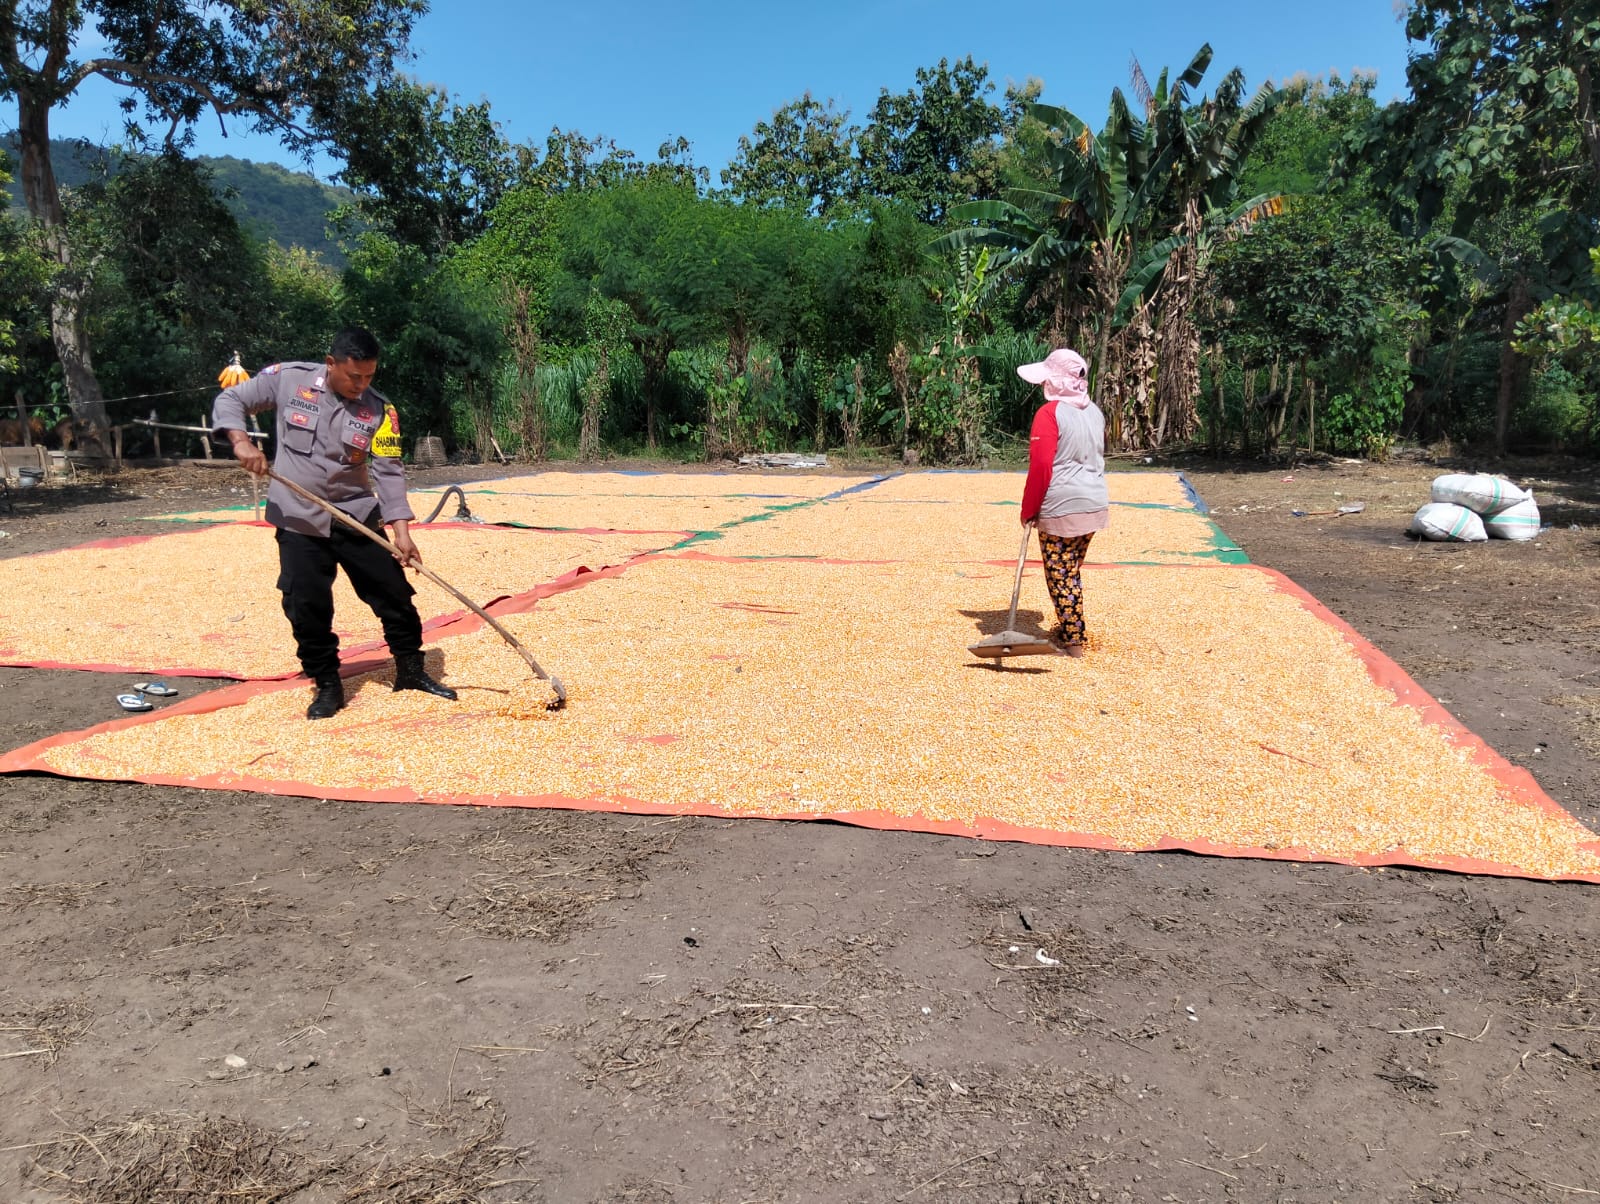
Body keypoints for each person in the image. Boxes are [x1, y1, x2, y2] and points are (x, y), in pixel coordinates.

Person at [212, 327, 457, 719]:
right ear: (331, 363)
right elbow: (231, 398)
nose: (362, 385)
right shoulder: (288, 379)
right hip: (298, 517)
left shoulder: (380, 411)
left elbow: (389, 471)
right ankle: (327, 684)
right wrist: (241, 441)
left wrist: (401, 532)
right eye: (354, 376)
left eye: (369, 377)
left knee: (394, 593)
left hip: (355, 516)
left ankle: (411, 670)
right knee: (306, 604)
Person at [1017, 348, 1108, 657]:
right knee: (1071, 569)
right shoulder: (1094, 412)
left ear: (1055, 381)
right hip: (1094, 501)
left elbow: (1041, 466)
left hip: (1062, 505)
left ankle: (1073, 642)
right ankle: (1071, 628)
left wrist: (1029, 509)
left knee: (1060, 573)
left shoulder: (1049, 414)